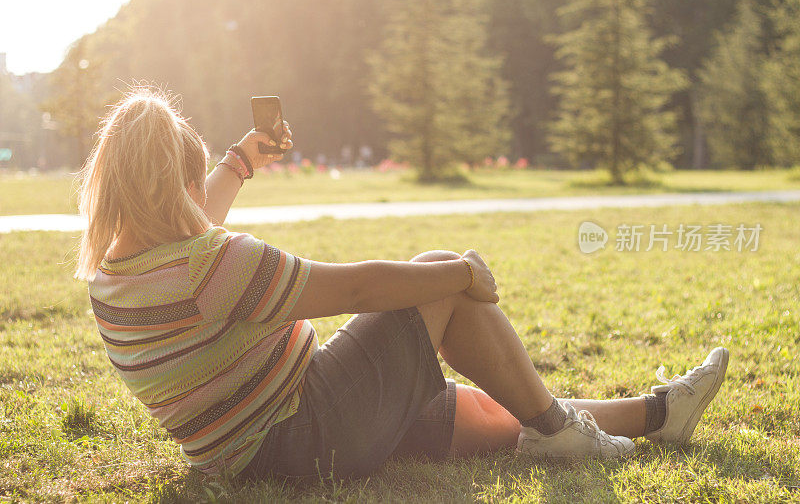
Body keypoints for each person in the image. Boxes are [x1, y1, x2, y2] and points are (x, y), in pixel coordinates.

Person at [75, 87, 729, 482]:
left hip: (256, 450)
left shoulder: (114, 275)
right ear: (169, 190)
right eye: (192, 185)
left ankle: (655, 415)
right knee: (432, 272)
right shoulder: (211, 265)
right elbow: (360, 289)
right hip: (311, 426)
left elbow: (191, 231)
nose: (200, 198)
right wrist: (460, 272)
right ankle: (562, 426)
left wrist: (239, 161)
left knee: (493, 412)